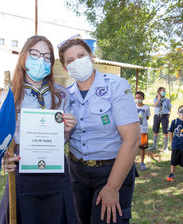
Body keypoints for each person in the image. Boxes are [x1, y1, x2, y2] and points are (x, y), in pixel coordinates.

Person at [0, 35, 78, 224]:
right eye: (35, 54)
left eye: (47, 57)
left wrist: (67, 130)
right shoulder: (9, 95)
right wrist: (5, 160)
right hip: (22, 172)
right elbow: (0, 138)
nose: (41, 60)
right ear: (24, 57)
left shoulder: (61, 95)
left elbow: (63, 138)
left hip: (56, 171)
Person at [58, 35, 140, 224]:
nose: (77, 62)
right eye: (70, 60)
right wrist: (65, 132)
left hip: (111, 171)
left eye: (81, 55)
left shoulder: (116, 86)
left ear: (91, 56)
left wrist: (112, 188)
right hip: (77, 173)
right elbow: (62, 138)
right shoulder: (66, 95)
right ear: (65, 67)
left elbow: (132, 140)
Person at [149, 87, 172, 152]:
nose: (164, 92)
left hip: (165, 115)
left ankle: (165, 147)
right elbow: (154, 106)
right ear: (158, 92)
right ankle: (154, 145)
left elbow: (170, 108)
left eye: (164, 91)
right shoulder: (155, 99)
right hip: (157, 116)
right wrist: (158, 99)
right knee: (155, 130)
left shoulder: (167, 100)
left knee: (165, 131)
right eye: (162, 91)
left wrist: (168, 115)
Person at [135, 91, 151, 171]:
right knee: (133, 146)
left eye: (139, 98)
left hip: (143, 130)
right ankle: (131, 162)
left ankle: (142, 162)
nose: (138, 99)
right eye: (136, 97)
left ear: (143, 98)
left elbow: (147, 117)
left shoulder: (146, 107)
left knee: (142, 147)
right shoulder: (133, 106)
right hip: (134, 130)